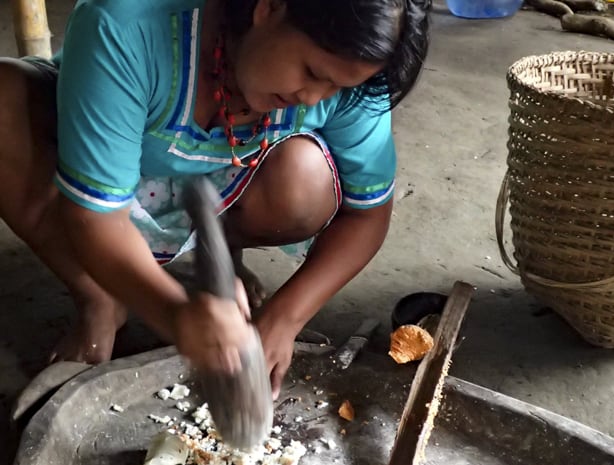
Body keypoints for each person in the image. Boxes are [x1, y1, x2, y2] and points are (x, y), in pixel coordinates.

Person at [0, 0, 430, 399]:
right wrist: (174, 315)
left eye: (337, 87)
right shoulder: (126, 24)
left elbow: (368, 214)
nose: (315, 96)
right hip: (98, 166)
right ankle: (99, 295)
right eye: (312, 72)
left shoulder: (352, 80)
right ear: (270, 7)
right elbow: (96, 217)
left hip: (232, 179)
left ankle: (221, 256)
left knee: (305, 178)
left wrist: (285, 317)